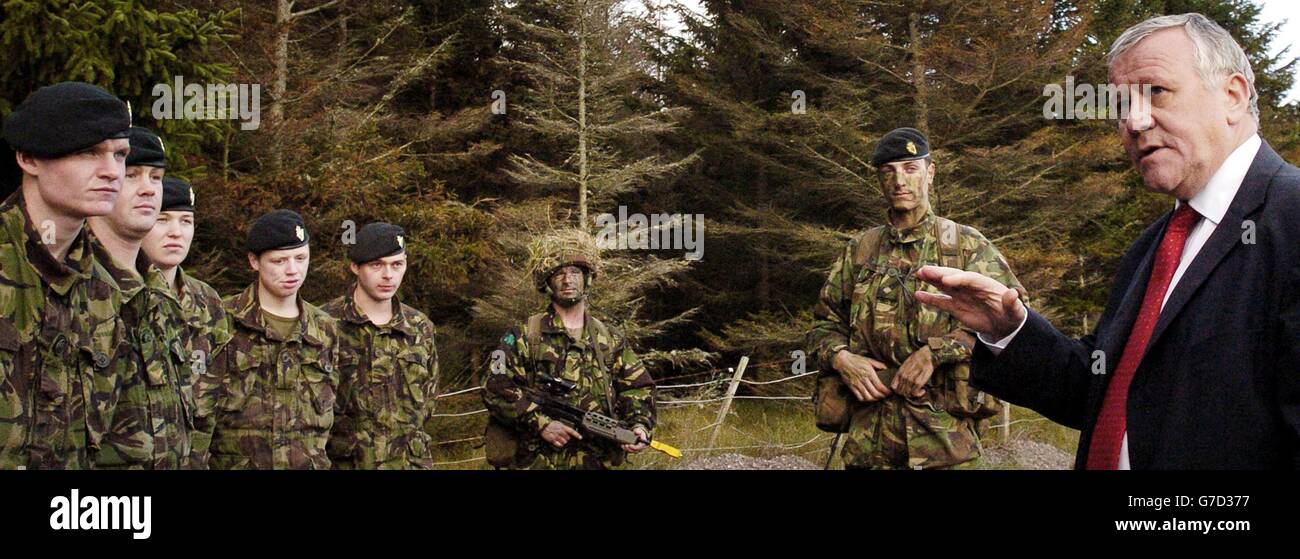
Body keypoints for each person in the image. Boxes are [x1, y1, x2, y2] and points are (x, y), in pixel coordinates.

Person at [915, 13, 1300, 469]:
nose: (1134, 122)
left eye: (1156, 91)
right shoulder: (1155, 245)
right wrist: (1010, 330)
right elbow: (1103, 393)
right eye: (1121, 105)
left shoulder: (1291, 219)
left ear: (1232, 96)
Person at [807, 127, 1025, 469]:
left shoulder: (966, 246)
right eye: (888, 171)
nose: (899, 181)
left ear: (930, 172)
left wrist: (935, 353)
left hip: (946, 443)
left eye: (910, 169)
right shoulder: (860, 251)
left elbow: (1010, 323)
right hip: (869, 443)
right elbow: (823, 325)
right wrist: (841, 359)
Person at [0, 81, 130, 469]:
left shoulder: (107, 293)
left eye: (120, 154)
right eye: (88, 152)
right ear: (29, 159)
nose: (112, 172)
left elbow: (116, 441)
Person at [481, 229, 656, 469]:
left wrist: (638, 424)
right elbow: (495, 386)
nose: (567, 280)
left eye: (575, 272)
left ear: (587, 278)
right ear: (547, 282)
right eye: (559, 273)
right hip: (536, 462)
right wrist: (540, 423)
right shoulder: (522, 335)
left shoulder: (610, 339)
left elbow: (637, 388)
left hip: (596, 461)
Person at [193, 209, 341, 469]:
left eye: (300, 258)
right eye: (279, 261)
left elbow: (336, 426)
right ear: (254, 261)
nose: (293, 270)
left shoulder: (326, 331)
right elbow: (197, 422)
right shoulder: (221, 322)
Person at [87, 127, 194, 469]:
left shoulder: (161, 296)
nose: (149, 188)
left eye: (157, 177)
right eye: (131, 175)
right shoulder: (68, 285)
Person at [322, 222, 439, 469]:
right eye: (377, 265)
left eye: (397, 264)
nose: (388, 275)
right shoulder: (324, 325)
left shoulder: (420, 327)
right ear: (355, 266)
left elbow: (428, 400)